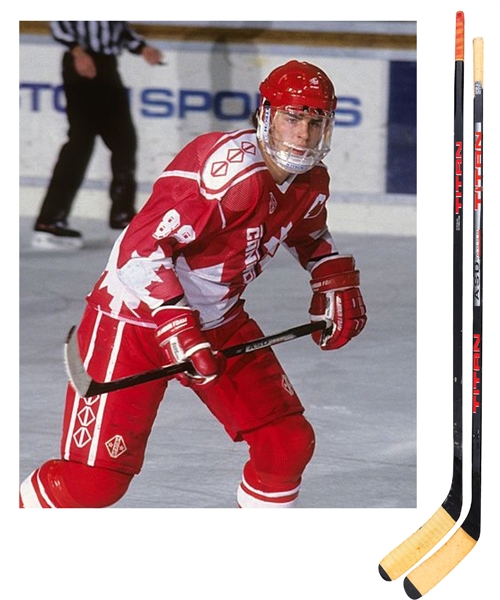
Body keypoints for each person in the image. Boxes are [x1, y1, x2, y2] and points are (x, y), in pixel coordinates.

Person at [19, 60, 367, 508]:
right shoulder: (229, 177)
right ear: (265, 115)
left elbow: (306, 231)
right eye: (292, 117)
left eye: (315, 121)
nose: (302, 134)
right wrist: (178, 325)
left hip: (216, 320)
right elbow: (139, 251)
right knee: (94, 482)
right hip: (135, 320)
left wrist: (331, 274)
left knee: (285, 445)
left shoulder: (310, 181)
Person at [32, 21, 163, 250]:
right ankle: (50, 220)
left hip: (107, 66)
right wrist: (77, 51)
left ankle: (123, 216)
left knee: (124, 142)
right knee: (80, 144)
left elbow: (116, 26)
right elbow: (59, 21)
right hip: (82, 63)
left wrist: (142, 47)